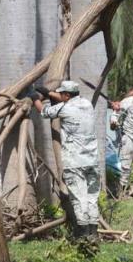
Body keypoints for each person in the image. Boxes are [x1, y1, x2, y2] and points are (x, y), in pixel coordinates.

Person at [33, 80, 101, 246]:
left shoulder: (64, 108)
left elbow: (44, 112)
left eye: (62, 94)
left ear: (67, 95)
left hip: (75, 161)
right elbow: (66, 98)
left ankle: (83, 235)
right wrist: (50, 93)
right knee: (92, 198)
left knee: (78, 198)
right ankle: (94, 232)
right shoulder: (86, 104)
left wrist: (35, 98)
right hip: (92, 160)